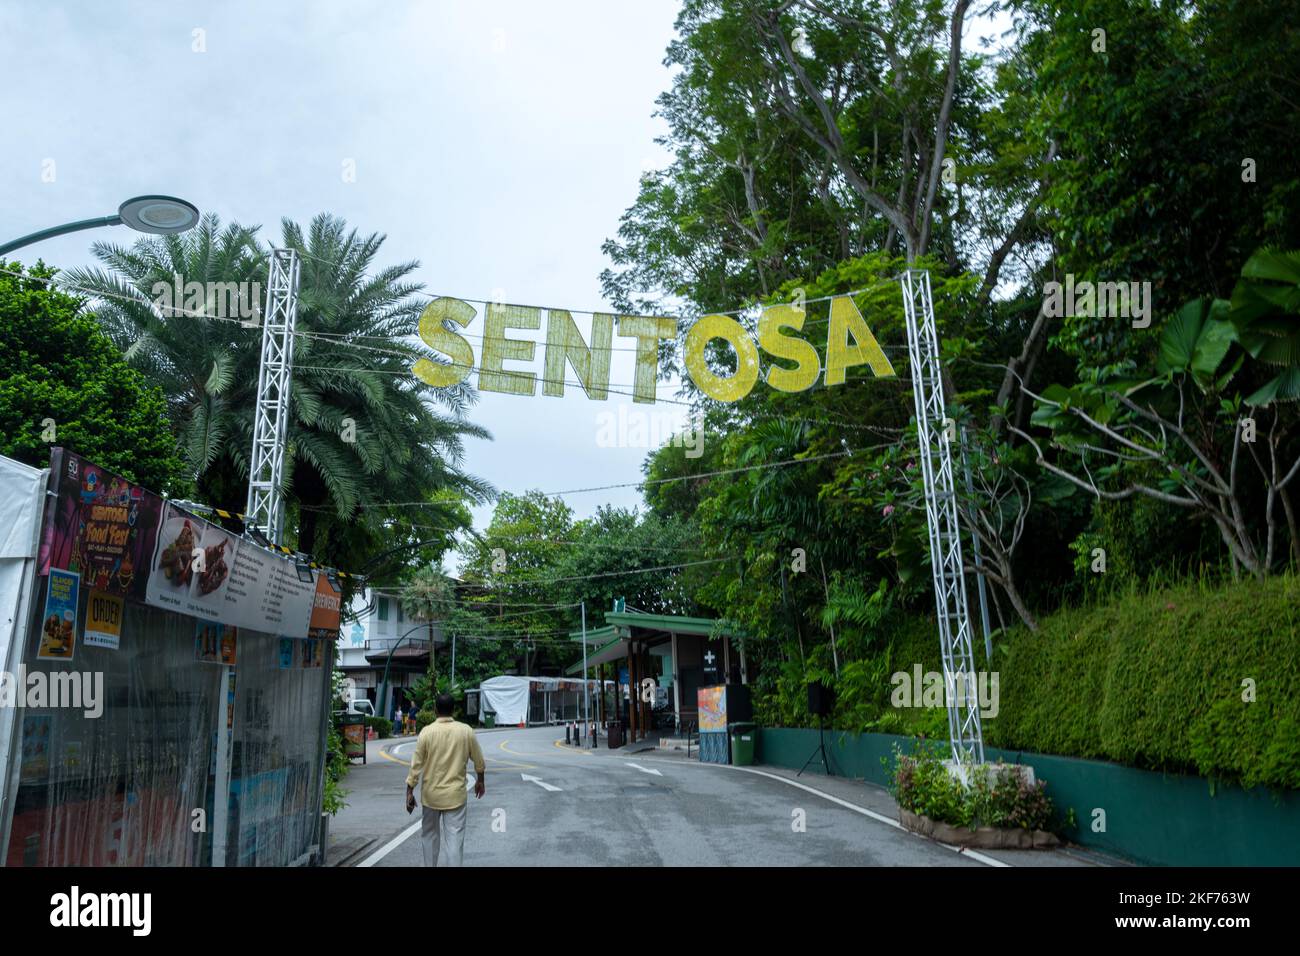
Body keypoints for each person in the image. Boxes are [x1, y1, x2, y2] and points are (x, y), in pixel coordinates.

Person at [405, 693, 486, 866]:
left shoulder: (427, 732)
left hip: (431, 796)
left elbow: (416, 764)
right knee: (455, 842)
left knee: (429, 838)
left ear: (435, 710)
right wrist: (480, 780)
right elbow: (479, 760)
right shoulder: (466, 731)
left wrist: (410, 791)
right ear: (454, 710)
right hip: (455, 796)